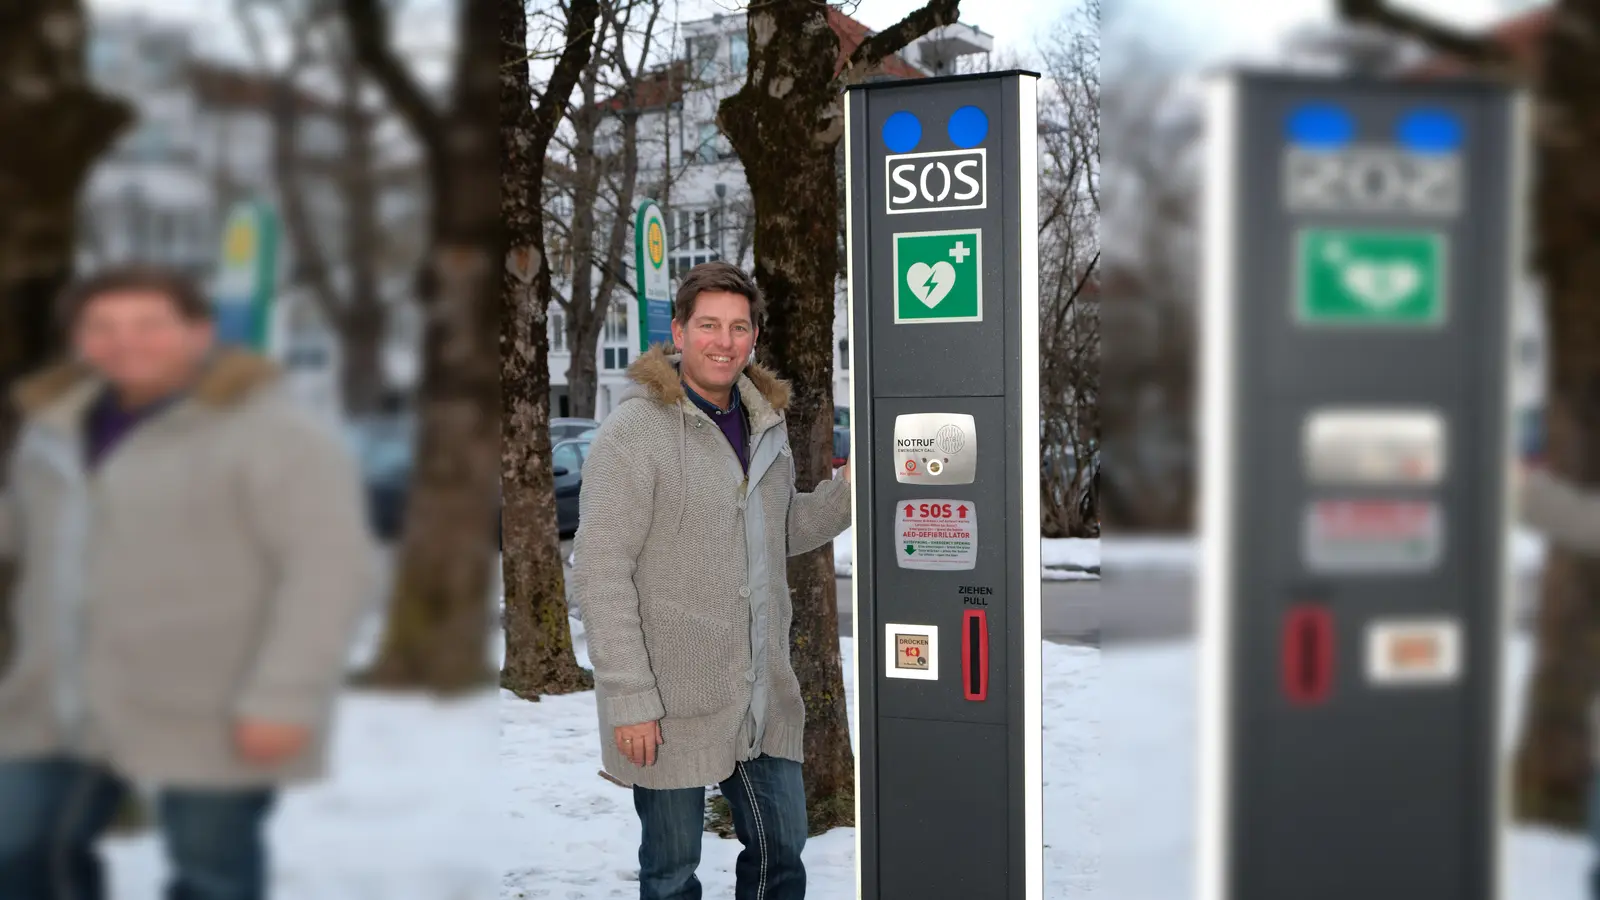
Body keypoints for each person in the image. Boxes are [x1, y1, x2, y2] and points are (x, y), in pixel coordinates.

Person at [0, 265, 376, 900]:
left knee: (211, 878)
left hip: (214, 701)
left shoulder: (272, 432)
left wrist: (283, 697)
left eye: (149, 324)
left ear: (199, 333)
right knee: (19, 851)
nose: (126, 342)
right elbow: (29, 532)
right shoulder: (52, 428)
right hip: (61, 692)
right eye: (104, 326)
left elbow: (329, 568)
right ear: (79, 338)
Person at [572, 261, 853, 900]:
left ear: (754, 336)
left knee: (782, 856)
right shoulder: (635, 433)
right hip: (670, 701)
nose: (723, 341)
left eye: (738, 327)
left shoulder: (764, 425)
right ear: (679, 331)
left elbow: (774, 531)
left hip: (760, 691)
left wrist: (847, 496)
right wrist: (631, 699)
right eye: (708, 325)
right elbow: (600, 569)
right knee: (672, 877)